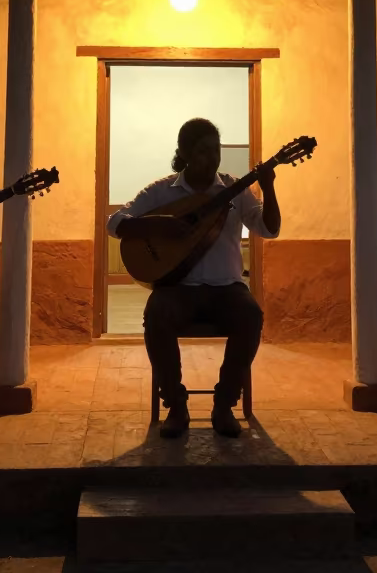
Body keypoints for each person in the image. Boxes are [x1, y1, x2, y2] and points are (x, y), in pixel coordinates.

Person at [108, 118, 281, 439]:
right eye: (202, 151)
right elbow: (115, 223)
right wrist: (159, 225)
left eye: (215, 150)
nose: (211, 157)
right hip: (178, 288)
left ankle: (225, 404)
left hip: (227, 289)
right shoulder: (162, 191)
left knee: (251, 315)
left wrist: (268, 187)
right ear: (185, 153)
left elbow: (269, 230)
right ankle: (175, 405)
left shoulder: (235, 190)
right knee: (156, 315)